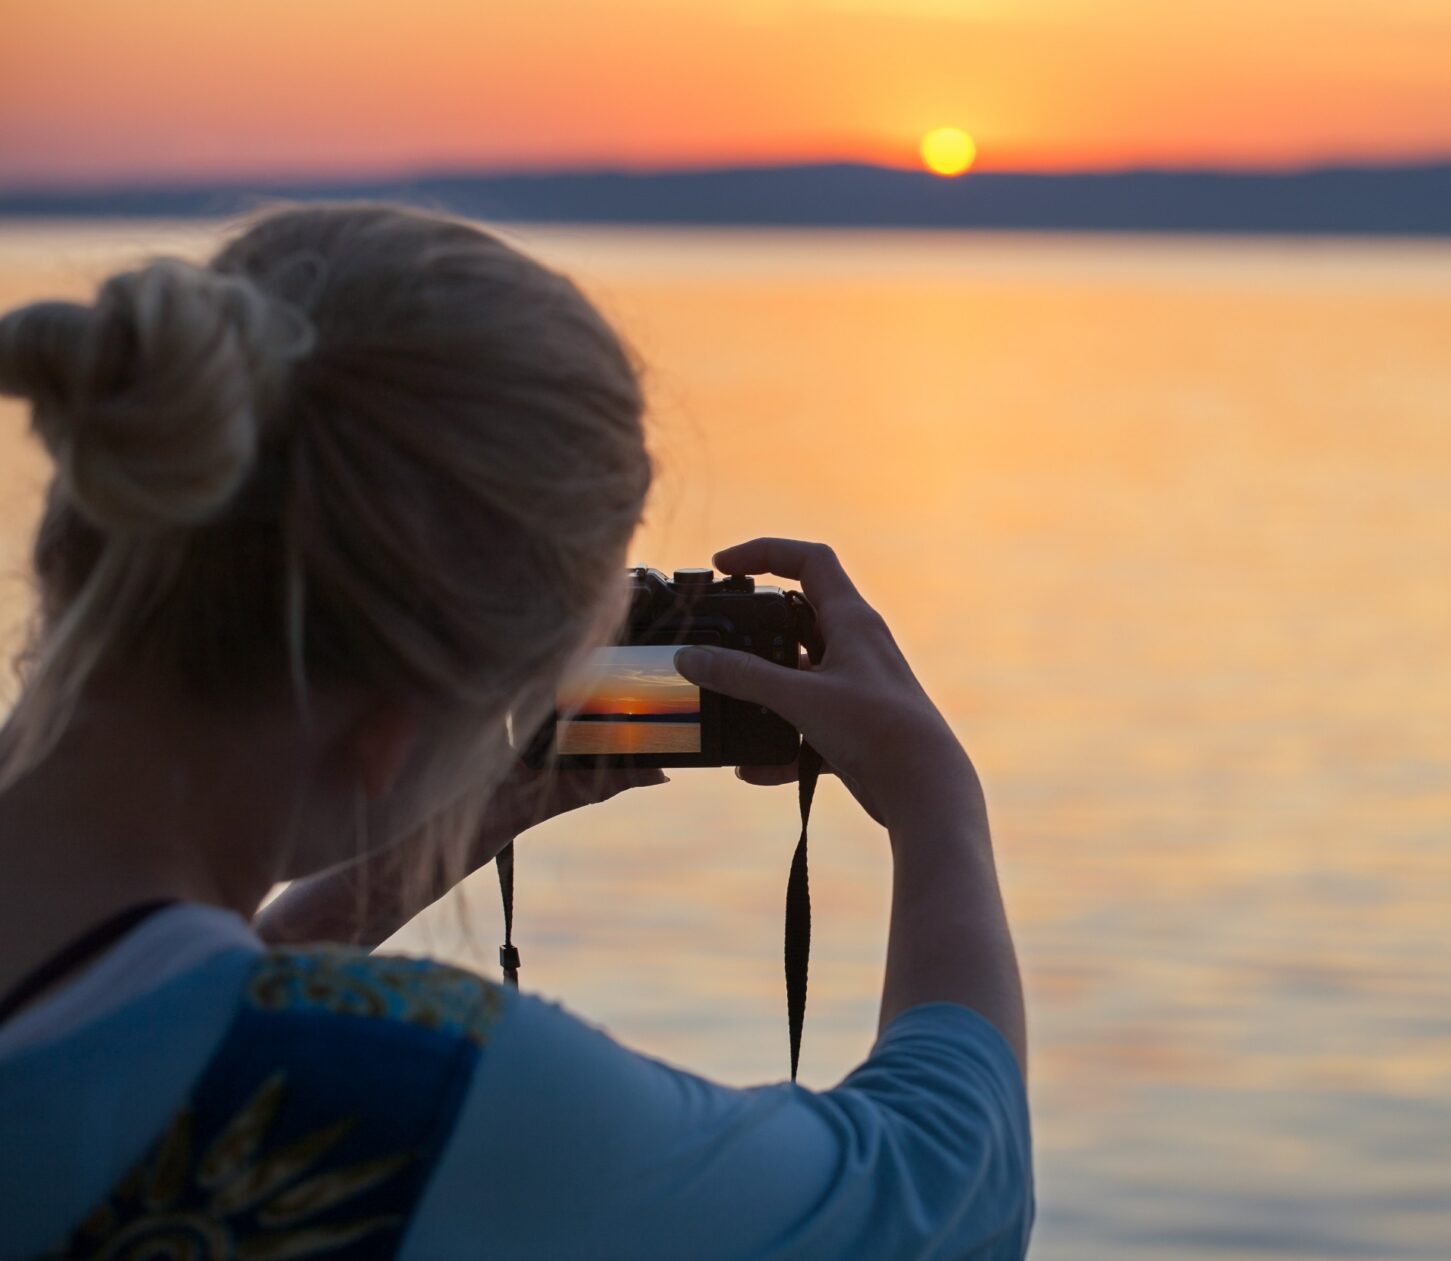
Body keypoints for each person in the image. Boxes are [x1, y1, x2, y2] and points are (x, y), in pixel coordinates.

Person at [0, 204, 1031, 1259]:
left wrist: (445, 822)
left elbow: (133, 1031)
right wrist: (938, 805)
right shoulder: (411, 1098)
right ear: (397, 723)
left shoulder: (160, 1044)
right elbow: (948, 1196)